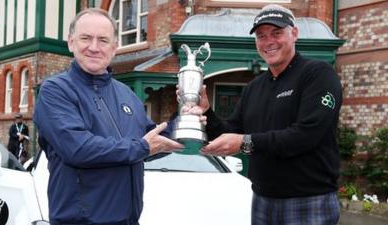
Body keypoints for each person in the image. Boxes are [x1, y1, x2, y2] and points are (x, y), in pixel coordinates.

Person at [189, 4, 342, 225]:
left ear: (294, 34)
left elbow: (306, 135)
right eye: (261, 36)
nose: (268, 41)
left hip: (309, 201)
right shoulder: (254, 87)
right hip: (263, 200)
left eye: (277, 33)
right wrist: (207, 112)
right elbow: (232, 130)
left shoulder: (318, 74)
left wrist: (244, 142)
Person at [33, 8, 183, 225]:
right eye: (86, 38)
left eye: (103, 40)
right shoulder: (55, 91)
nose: (94, 47)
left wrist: (188, 117)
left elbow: (154, 139)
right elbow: (79, 149)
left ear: (114, 48)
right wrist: (142, 147)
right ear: (71, 42)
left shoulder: (126, 94)